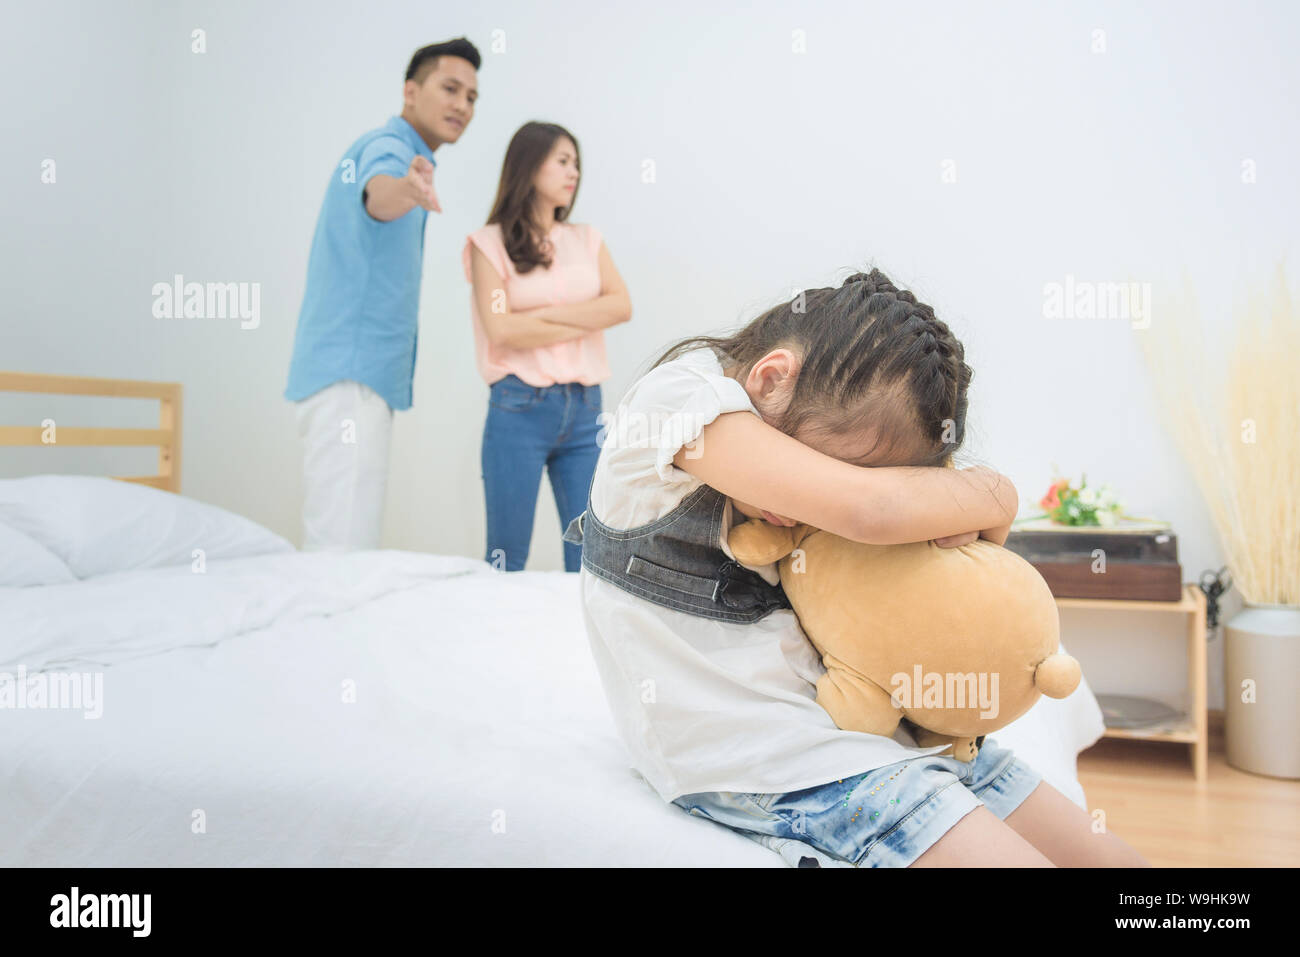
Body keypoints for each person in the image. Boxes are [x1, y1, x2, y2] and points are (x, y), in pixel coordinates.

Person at [562, 268, 1150, 868]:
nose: (809, 510)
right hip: (765, 762)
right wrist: (996, 491)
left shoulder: (771, 411)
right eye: (823, 470)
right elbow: (869, 510)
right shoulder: (678, 399)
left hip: (863, 734)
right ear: (770, 378)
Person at [284, 38, 480, 549]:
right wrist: (407, 190)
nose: (462, 105)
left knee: (345, 534)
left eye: (472, 97)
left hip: (352, 375)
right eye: (450, 88)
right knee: (342, 542)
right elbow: (378, 194)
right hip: (350, 375)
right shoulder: (391, 149)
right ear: (410, 91)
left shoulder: (406, 152)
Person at [464, 122, 631, 572]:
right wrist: (582, 315)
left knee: (590, 558)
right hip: (518, 408)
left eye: (576, 163)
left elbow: (620, 307)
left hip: (584, 410)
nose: (573, 172)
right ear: (528, 165)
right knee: (505, 555)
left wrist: (536, 318)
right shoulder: (488, 243)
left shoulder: (587, 239)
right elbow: (501, 331)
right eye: (562, 161)